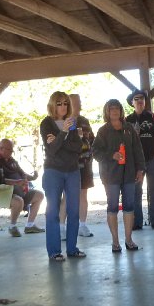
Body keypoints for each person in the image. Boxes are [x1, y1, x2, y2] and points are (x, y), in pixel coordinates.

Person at [93, 99, 145, 252]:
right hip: (110, 176)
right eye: (111, 109)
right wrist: (112, 155)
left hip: (129, 174)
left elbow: (138, 150)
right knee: (113, 206)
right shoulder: (103, 131)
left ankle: (129, 239)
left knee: (129, 206)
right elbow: (95, 152)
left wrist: (140, 170)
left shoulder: (129, 128)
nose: (115, 111)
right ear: (107, 112)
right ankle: (115, 241)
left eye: (117, 108)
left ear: (121, 111)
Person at [40, 91, 86, 262]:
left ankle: (72, 249)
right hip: (53, 172)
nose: (63, 106)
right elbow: (50, 151)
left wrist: (60, 140)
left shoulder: (72, 122)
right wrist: (64, 133)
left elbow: (77, 147)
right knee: (52, 211)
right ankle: (54, 251)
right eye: (59, 103)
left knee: (73, 210)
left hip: (73, 171)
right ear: (53, 105)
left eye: (65, 103)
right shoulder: (46, 123)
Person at [126, 88, 154, 230]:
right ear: (132, 102)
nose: (139, 101)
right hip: (136, 162)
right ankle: (137, 222)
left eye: (142, 99)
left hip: (152, 159)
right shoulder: (127, 121)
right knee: (136, 191)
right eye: (136, 99)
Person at [0, 139, 44, 237]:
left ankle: (30, 225)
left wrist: (30, 177)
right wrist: (16, 182)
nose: (11, 152)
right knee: (18, 201)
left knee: (39, 195)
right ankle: (12, 226)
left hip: (20, 191)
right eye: (9, 150)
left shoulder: (12, 160)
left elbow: (21, 172)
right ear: (1, 148)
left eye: (12, 150)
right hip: (2, 193)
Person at [59, 94, 95, 238]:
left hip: (85, 164)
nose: (79, 104)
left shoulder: (84, 121)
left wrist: (91, 154)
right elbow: (58, 144)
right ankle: (61, 227)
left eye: (80, 102)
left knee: (83, 195)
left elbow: (92, 139)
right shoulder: (62, 121)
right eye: (76, 102)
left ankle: (83, 226)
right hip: (69, 164)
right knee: (67, 196)